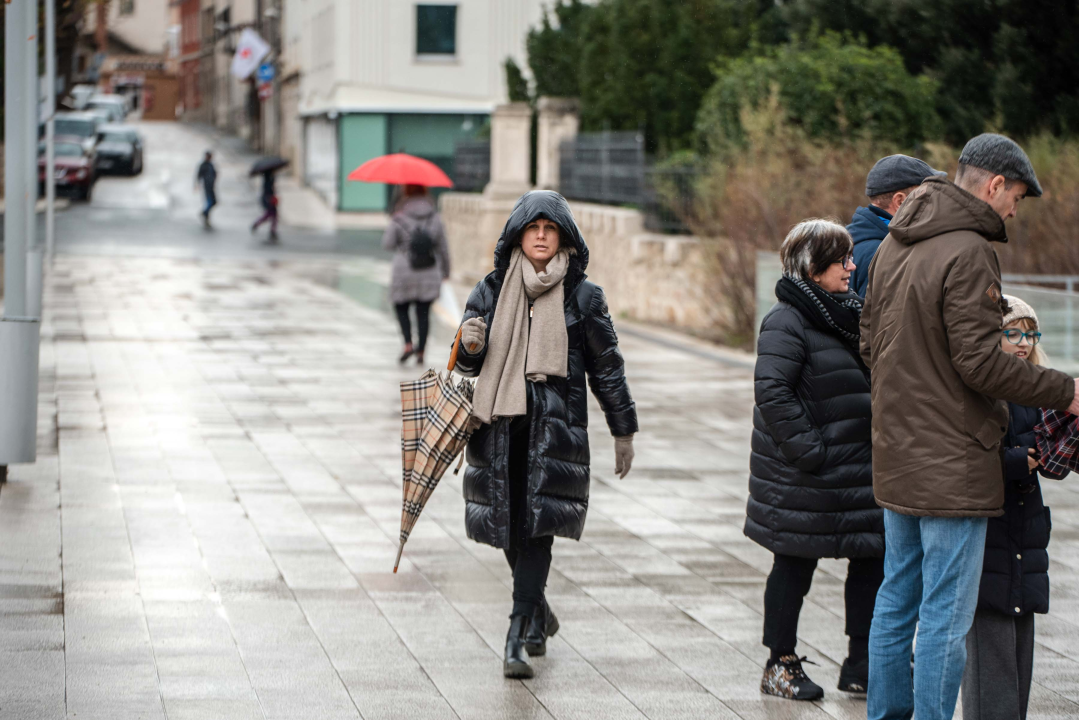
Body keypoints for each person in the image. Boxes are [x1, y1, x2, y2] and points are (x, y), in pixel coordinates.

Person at [860, 133, 1079, 720]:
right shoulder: (970, 249)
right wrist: (1068, 391)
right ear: (994, 184)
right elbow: (981, 362)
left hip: (898, 454)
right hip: (954, 466)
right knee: (945, 618)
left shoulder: (893, 242)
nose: (1014, 211)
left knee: (896, 601)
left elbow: (868, 342)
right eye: (1018, 198)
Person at [453, 190, 637, 680]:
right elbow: (468, 366)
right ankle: (539, 613)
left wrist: (624, 430)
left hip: (554, 434)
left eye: (549, 229)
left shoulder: (583, 296)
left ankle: (516, 632)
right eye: (532, 228)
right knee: (510, 529)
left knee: (537, 532)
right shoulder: (490, 290)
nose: (540, 235)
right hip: (498, 430)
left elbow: (608, 369)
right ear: (517, 234)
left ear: (563, 238)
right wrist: (468, 346)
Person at [749, 219, 883, 701]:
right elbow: (773, 391)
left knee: (872, 560)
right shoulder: (787, 320)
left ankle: (861, 662)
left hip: (858, 470)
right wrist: (811, 453)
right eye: (841, 259)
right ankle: (778, 664)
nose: (851, 266)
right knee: (794, 566)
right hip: (809, 473)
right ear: (812, 266)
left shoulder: (849, 314)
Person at [962, 295, 1068, 720]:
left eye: (1030, 333)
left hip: (1024, 531)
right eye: (1012, 333)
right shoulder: (980, 390)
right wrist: (1013, 461)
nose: (1023, 342)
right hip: (989, 531)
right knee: (992, 659)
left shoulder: (1034, 388)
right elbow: (963, 458)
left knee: (1020, 650)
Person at [846, 155, 946, 297]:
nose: (934, 204)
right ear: (900, 201)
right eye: (927, 197)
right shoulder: (884, 254)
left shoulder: (848, 240)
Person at [382, 185, 450, 365]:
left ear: (406, 193)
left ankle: (407, 344)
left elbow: (388, 244)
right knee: (423, 311)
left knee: (401, 307)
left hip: (403, 270)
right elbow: (443, 247)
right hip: (429, 270)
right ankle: (421, 351)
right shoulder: (435, 217)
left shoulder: (398, 216)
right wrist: (446, 272)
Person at [251, 170, 278, 243]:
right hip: (269, 200)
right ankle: (258, 225)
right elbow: (268, 190)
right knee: (270, 215)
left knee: (272, 216)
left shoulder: (268, 177)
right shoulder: (268, 179)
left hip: (268, 199)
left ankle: (272, 230)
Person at [196, 150, 217, 228]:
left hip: (211, 186)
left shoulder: (211, 164)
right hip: (207, 186)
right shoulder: (204, 165)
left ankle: (205, 213)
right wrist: (197, 184)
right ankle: (204, 213)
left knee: (214, 202)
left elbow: (214, 173)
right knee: (210, 202)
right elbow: (199, 175)